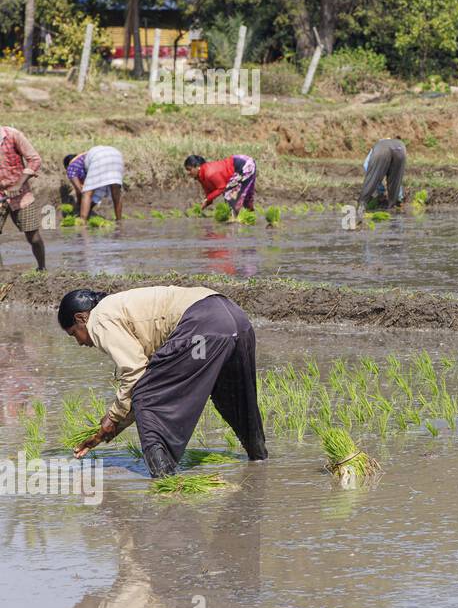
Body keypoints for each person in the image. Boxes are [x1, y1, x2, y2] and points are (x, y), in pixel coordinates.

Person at [60, 286, 269, 477]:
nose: (79, 342)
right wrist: (105, 432)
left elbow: (135, 376)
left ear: (81, 318)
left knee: (147, 398)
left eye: (73, 334)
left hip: (203, 325)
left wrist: (113, 418)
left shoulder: (98, 319)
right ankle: (259, 460)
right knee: (233, 397)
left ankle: (163, 477)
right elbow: (143, 379)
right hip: (236, 319)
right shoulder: (119, 307)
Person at [0, 123, 45, 270]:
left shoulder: (13, 135)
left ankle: (42, 268)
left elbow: (35, 159)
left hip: (21, 194)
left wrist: (18, 184)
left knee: (33, 237)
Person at [63, 146, 125, 221]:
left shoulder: (71, 167)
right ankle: (119, 220)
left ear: (67, 166)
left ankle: (82, 223)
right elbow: (97, 186)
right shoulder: (82, 158)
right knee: (116, 192)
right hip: (116, 155)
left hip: (99, 157)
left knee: (87, 193)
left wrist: (79, 205)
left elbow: (80, 191)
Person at [185, 154, 256, 212]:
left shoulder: (209, 173)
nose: (187, 173)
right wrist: (204, 204)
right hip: (242, 163)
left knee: (229, 195)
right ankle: (249, 216)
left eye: (189, 169)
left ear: (197, 167)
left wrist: (207, 199)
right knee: (244, 198)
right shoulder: (201, 176)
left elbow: (222, 187)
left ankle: (234, 221)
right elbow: (209, 194)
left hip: (243, 163)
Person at [359, 138, 407, 209]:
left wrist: (380, 190)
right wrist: (399, 195)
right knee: (396, 178)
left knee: (373, 176)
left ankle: (362, 204)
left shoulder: (379, 146)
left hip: (383, 150)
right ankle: (396, 202)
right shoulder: (396, 143)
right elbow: (396, 178)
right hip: (401, 149)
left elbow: (366, 166)